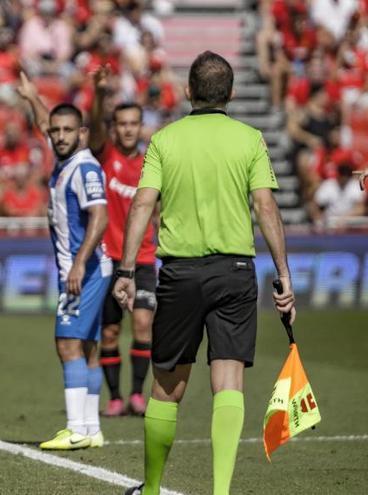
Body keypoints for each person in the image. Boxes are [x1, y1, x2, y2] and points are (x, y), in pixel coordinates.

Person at [114, 52, 295, 495]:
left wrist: (125, 268)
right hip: (235, 271)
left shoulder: (164, 140)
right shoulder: (250, 139)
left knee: (168, 386)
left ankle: (152, 489)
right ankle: (221, 491)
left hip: (179, 273)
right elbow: (265, 206)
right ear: (231, 94)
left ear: (189, 93)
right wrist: (284, 274)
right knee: (228, 380)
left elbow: (142, 204)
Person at [17, 71, 112, 451]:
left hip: (84, 270)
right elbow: (46, 120)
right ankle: (90, 428)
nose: (58, 136)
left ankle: (75, 427)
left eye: (67, 131)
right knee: (86, 346)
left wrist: (78, 264)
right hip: (81, 270)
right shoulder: (66, 158)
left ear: (82, 133)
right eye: (54, 131)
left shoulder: (85, 167)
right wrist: (31, 95)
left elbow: (100, 216)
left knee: (67, 342)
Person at [87, 65, 156, 417]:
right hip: (107, 259)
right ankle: (115, 397)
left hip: (143, 258)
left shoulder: (151, 163)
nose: (128, 129)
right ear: (115, 128)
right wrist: (99, 94)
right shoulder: (106, 156)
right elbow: (95, 124)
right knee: (111, 332)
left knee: (143, 323)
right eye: (122, 124)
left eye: (133, 123)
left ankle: (137, 395)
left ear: (140, 126)